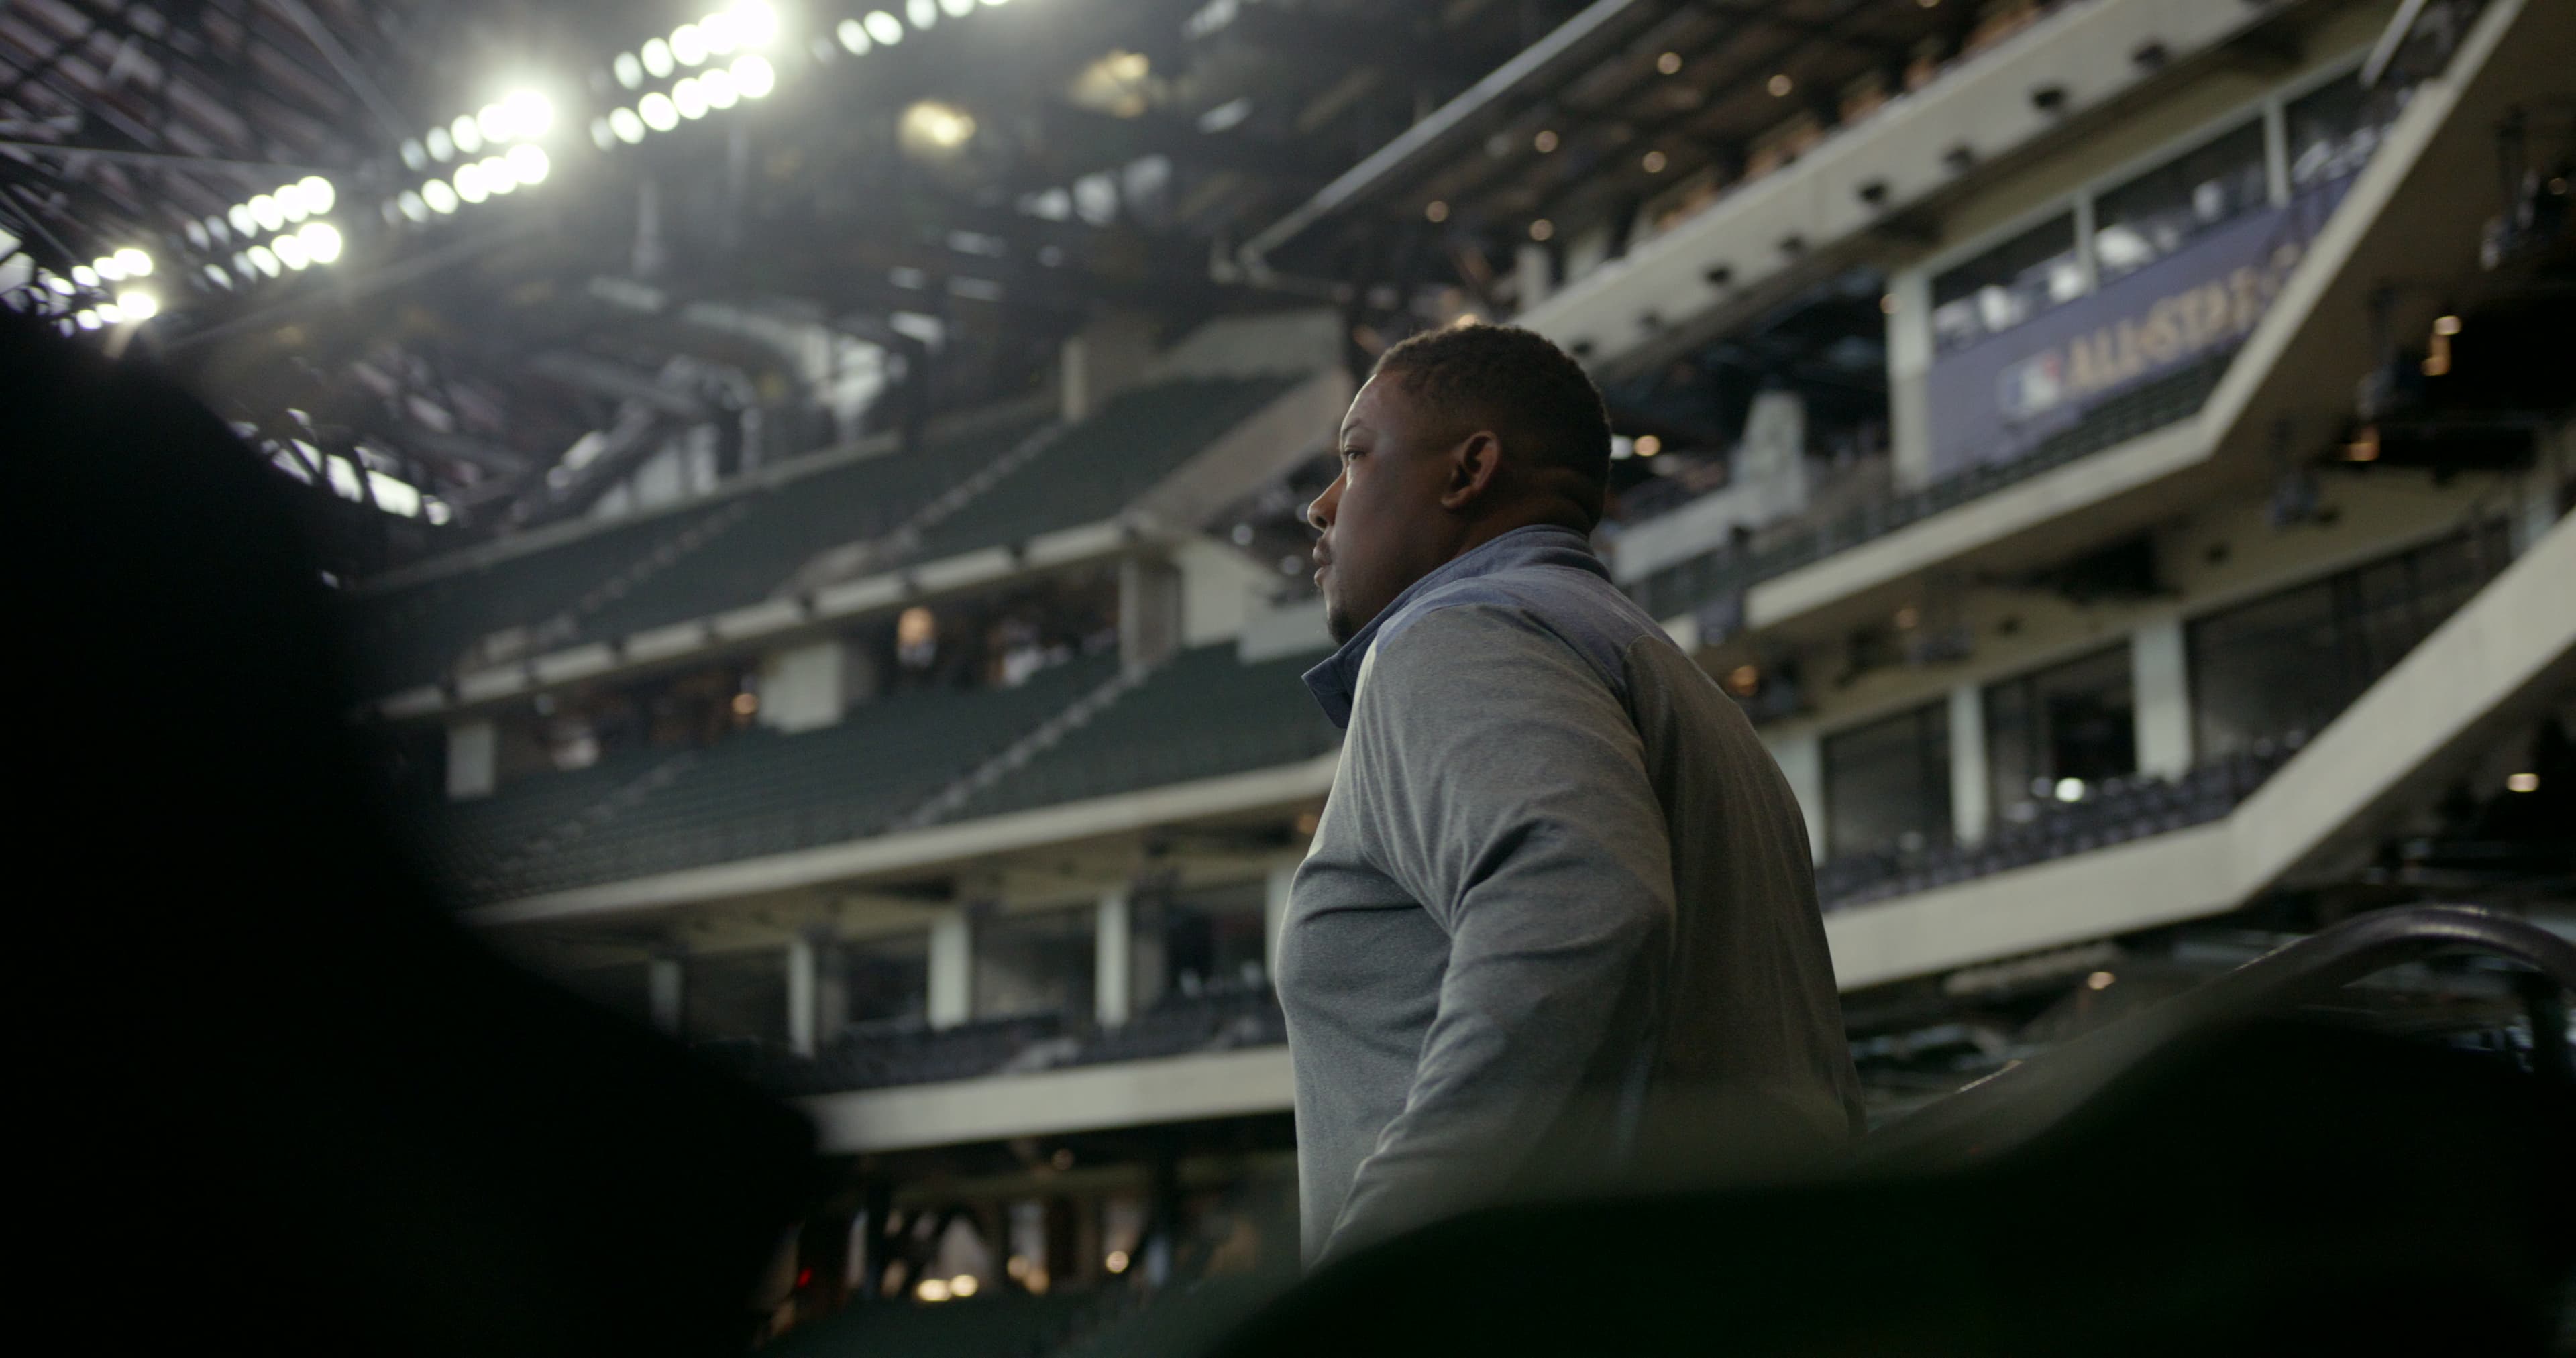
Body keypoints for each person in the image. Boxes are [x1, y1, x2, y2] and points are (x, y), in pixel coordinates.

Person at [1275, 323, 1864, 1267]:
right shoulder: (1677, 684)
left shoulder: (1455, 634)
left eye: (1355, 455)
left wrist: (1377, 1272)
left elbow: (1581, 901)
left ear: (1467, 472)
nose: (1321, 504)